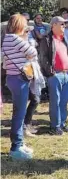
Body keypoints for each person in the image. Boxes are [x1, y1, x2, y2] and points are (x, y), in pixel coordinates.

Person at [2, 14, 38, 160]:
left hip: (12, 77)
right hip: (19, 78)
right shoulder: (16, 39)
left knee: (18, 112)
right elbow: (33, 53)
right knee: (19, 113)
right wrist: (27, 40)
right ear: (19, 25)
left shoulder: (6, 39)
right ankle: (16, 147)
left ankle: (19, 143)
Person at [39, 16, 68, 135]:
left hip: (66, 74)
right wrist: (51, 73)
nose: (64, 26)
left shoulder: (64, 39)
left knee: (64, 101)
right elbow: (43, 58)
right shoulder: (47, 39)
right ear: (53, 26)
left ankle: (62, 123)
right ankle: (55, 126)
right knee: (55, 101)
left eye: (64, 24)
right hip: (55, 74)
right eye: (61, 24)